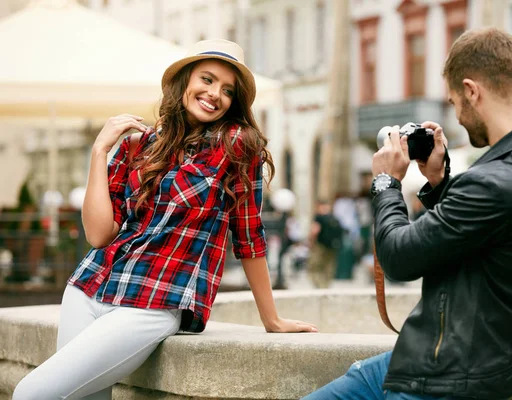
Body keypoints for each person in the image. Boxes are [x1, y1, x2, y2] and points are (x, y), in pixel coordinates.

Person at [13, 39, 317, 400]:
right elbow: (99, 235)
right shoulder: (137, 146)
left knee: (30, 393)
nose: (214, 94)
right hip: (88, 288)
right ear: (185, 81)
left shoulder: (236, 144)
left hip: (156, 300)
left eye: (227, 90)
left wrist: (272, 319)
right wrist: (99, 151)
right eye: (206, 79)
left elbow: (249, 235)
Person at [302, 28, 512, 400]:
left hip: (440, 384)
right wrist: (438, 183)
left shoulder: (495, 181)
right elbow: (480, 237)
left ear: (471, 90)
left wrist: (387, 182)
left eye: (453, 103)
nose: (458, 117)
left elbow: (400, 258)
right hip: (442, 364)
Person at [307, 199, 344, 288]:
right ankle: (326, 285)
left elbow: (315, 231)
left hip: (320, 245)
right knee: (329, 266)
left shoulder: (319, 217)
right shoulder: (334, 218)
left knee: (315, 266)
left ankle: (320, 285)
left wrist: (311, 242)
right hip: (333, 246)